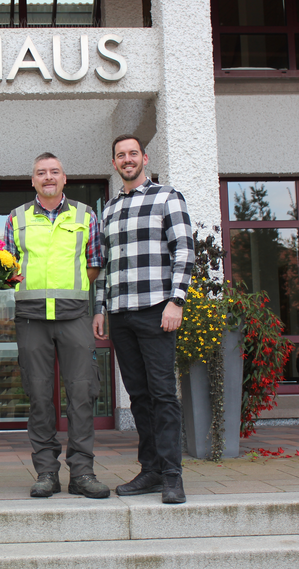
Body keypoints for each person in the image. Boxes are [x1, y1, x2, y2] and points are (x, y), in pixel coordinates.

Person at [92, 134, 194, 505]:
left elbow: (184, 251)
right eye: (120, 155)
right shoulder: (109, 209)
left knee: (164, 394)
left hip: (156, 309)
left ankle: (172, 475)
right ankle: (149, 470)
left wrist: (176, 301)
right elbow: (105, 266)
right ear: (115, 163)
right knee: (139, 397)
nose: (127, 159)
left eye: (133, 153)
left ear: (145, 158)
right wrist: (100, 308)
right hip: (120, 314)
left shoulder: (168, 197)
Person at [3, 153, 110, 499]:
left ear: (65, 178)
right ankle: (46, 472)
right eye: (40, 173)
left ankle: (82, 473)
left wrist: (80, 298)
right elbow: (7, 268)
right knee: (38, 396)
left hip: (74, 315)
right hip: (31, 318)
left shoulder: (85, 215)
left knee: (81, 394)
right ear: (32, 181)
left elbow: (94, 265)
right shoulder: (15, 219)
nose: (48, 177)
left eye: (54, 172)